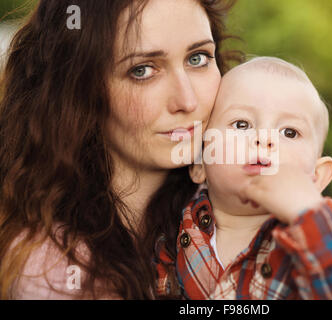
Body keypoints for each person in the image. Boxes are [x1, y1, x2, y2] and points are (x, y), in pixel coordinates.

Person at [0, 0, 240, 299]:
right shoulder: (50, 268)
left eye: (198, 58)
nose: (188, 101)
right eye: (142, 70)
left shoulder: (238, 203)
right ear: (79, 93)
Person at [168, 57, 332, 299]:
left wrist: (309, 214)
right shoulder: (172, 231)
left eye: (289, 132)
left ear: (315, 177)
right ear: (200, 163)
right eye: (242, 124)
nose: (264, 138)